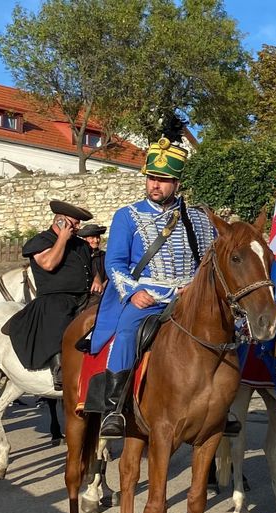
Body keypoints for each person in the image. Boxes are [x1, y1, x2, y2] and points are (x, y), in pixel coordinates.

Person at [92, 137, 218, 438]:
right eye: (152, 178)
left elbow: (210, 259)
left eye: (163, 180)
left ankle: (221, 406)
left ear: (177, 183)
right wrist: (134, 292)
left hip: (190, 296)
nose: (155, 185)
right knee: (126, 333)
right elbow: (115, 263)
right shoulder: (128, 216)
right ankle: (114, 409)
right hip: (146, 296)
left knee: (226, 333)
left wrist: (196, 286)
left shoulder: (199, 218)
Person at [7, 200, 102, 391]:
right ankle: (59, 369)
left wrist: (97, 279)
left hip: (84, 295)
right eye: (73, 224)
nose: (77, 228)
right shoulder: (41, 241)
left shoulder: (81, 245)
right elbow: (49, 263)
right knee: (58, 314)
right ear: (60, 221)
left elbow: (92, 267)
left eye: (77, 224)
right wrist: (63, 239)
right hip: (54, 297)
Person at [78, 222, 108, 288]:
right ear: (84, 239)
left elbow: (109, 275)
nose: (96, 240)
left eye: (97, 237)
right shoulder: (79, 256)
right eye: (92, 238)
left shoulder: (104, 256)